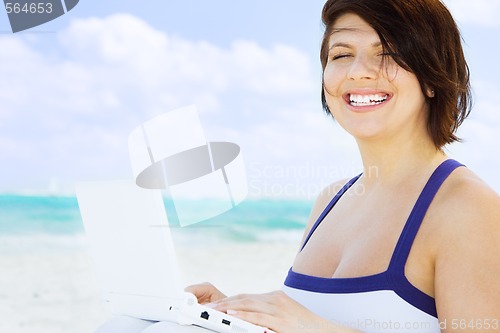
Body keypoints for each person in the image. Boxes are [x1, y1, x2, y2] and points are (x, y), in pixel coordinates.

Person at [95, 0, 500, 332]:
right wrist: (233, 312)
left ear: (433, 78)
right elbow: (311, 319)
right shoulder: (332, 199)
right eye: (342, 54)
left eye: (388, 54)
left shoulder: (467, 208)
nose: (358, 71)